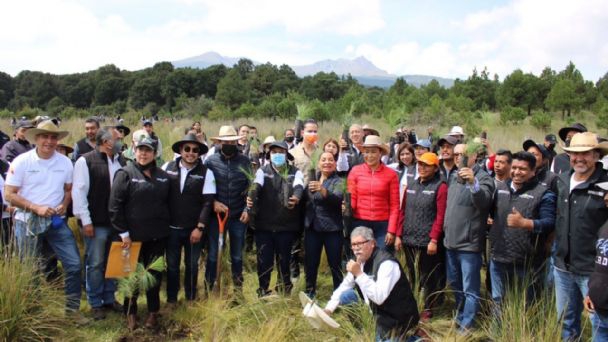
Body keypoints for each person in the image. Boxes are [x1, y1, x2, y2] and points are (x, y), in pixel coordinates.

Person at [4, 120, 86, 323]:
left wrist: (64, 205)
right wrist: (35, 207)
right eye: (44, 137)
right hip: (27, 222)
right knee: (30, 270)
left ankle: (72, 311)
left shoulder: (65, 162)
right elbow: (9, 194)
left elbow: (68, 190)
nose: (49, 141)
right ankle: (33, 314)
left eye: (53, 137)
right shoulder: (22, 161)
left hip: (55, 223)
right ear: (36, 138)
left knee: (74, 264)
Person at [109, 137, 171, 330]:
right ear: (134, 151)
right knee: (130, 277)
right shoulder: (125, 173)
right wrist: (123, 233)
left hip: (157, 236)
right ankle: (131, 313)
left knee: (154, 275)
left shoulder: (163, 176)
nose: (143, 154)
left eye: (148, 150)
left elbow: (169, 204)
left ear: (154, 153)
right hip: (131, 238)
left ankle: (153, 312)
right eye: (140, 150)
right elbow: (114, 206)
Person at [553, 132, 608, 341]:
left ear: (596, 155)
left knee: (600, 324)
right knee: (565, 321)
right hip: (562, 266)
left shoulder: (605, 184)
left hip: (594, 271)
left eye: (585, 153)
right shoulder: (562, 180)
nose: (579, 158)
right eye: (575, 154)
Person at [324, 226, 420, 341]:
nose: (356, 249)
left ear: (372, 243)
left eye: (360, 244)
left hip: (396, 319)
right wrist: (328, 309)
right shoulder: (359, 262)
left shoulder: (387, 263)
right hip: (377, 313)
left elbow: (379, 297)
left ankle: (413, 338)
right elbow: (344, 287)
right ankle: (364, 331)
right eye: (353, 245)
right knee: (346, 295)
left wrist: (359, 274)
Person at [488, 151, 555, 313]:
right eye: (515, 167)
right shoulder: (501, 188)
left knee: (526, 304)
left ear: (533, 171)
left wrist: (525, 223)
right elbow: (492, 213)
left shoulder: (544, 194)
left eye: (523, 169)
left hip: (526, 261)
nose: (517, 172)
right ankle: (498, 334)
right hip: (498, 256)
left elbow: (549, 223)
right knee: (498, 300)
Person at [72, 128, 126, 320]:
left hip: (116, 223)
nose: (121, 140)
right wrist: (86, 221)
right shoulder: (85, 161)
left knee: (114, 262)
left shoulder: (120, 161)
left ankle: (109, 298)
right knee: (95, 263)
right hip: (96, 223)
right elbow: (79, 192)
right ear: (106, 142)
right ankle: (95, 302)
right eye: (117, 138)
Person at [162, 134, 214, 304]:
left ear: (199, 153)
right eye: (187, 149)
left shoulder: (207, 173)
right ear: (180, 150)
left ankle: (191, 298)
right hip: (171, 229)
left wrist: (200, 228)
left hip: (194, 229)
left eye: (195, 150)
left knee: (192, 266)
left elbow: (208, 203)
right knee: (172, 267)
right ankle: (171, 299)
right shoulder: (166, 168)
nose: (191, 153)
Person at [397, 152, 448, 323]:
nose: (422, 168)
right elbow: (402, 211)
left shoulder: (440, 186)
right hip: (408, 238)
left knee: (428, 276)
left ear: (435, 168)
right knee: (412, 273)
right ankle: (414, 304)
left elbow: (440, 216)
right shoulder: (411, 184)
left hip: (428, 242)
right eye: (420, 164)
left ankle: (428, 307)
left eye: (426, 165)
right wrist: (398, 234)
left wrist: (434, 239)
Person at [248, 141, 304, 296]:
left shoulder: (295, 172)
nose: (277, 155)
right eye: (274, 152)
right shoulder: (262, 171)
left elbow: (299, 186)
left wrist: (296, 197)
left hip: (286, 226)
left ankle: (284, 290)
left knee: (284, 261)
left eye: (281, 151)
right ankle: (263, 290)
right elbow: (256, 185)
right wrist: (250, 196)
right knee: (264, 261)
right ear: (269, 155)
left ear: (286, 154)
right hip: (264, 225)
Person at [204, 126, 251, 293]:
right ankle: (210, 289)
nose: (229, 144)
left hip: (238, 215)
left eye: (232, 141)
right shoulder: (211, 162)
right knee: (213, 254)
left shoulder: (245, 161)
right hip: (217, 216)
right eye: (225, 141)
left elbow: (250, 188)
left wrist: (247, 209)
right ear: (219, 142)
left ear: (236, 141)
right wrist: (214, 203)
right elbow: (205, 188)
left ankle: (238, 291)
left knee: (237, 255)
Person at [347, 135, 399, 252]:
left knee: (382, 256)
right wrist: (348, 207)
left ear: (380, 153)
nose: (369, 155)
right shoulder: (355, 171)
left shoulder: (391, 174)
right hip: (360, 221)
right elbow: (352, 197)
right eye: (367, 152)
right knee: (361, 256)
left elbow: (395, 205)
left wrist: (391, 230)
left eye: (373, 152)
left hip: (382, 224)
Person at [304, 151, 344, 298]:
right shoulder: (312, 178)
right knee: (311, 263)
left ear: (335, 163)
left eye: (330, 160)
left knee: (335, 264)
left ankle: (339, 295)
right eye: (324, 160)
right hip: (312, 227)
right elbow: (305, 199)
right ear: (319, 163)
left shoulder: (338, 181)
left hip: (332, 229)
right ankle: (310, 292)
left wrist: (322, 189)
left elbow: (337, 199)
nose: (327, 162)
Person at [584, 187, 608, 341]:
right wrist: (590, 292)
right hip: (599, 309)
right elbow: (599, 264)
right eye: (606, 201)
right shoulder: (604, 227)